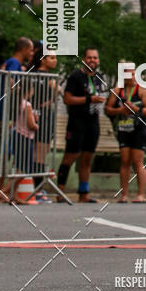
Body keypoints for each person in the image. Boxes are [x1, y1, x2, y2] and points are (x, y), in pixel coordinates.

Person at [57, 47, 106, 203]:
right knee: (70, 157)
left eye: (95, 58)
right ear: (84, 59)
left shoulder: (99, 77)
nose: (92, 60)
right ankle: (60, 192)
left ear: (98, 61)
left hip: (93, 122)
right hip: (77, 122)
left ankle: (84, 194)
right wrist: (89, 99)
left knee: (87, 159)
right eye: (89, 57)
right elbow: (67, 99)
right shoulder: (75, 76)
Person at [0, 37, 34, 203]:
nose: (32, 53)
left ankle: (9, 192)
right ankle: (1, 191)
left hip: (10, 113)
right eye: (30, 50)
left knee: (13, 153)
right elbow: (10, 82)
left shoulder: (11, 63)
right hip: (11, 116)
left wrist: (1, 101)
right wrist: (8, 103)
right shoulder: (14, 64)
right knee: (8, 152)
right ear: (23, 49)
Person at [105, 62, 146, 203]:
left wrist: (135, 109)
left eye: (133, 74)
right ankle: (124, 195)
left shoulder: (142, 90)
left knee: (138, 161)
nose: (131, 77)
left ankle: (141, 195)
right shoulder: (118, 90)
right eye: (128, 74)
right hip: (124, 128)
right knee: (125, 161)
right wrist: (120, 110)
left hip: (139, 129)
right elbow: (108, 109)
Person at [31, 44, 61, 202]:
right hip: (41, 117)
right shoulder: (44, 76)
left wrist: (49, 101)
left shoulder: (33, 74)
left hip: (39, 115)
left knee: (37, 153)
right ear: (42, 59)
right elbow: (58, 90)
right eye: (52, 57)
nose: (55, 61)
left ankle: (36, 188)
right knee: (40, 154)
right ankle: (37, 189)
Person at [10, 83, 39, 203]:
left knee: (19, 167)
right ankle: (5, 191)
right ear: (29, 90)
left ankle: (13, 194)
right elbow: (31, 124)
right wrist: (37, 124)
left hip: (17, 135)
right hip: (25, 137)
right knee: (25, 168)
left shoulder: (17, 103)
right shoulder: (27, 105)